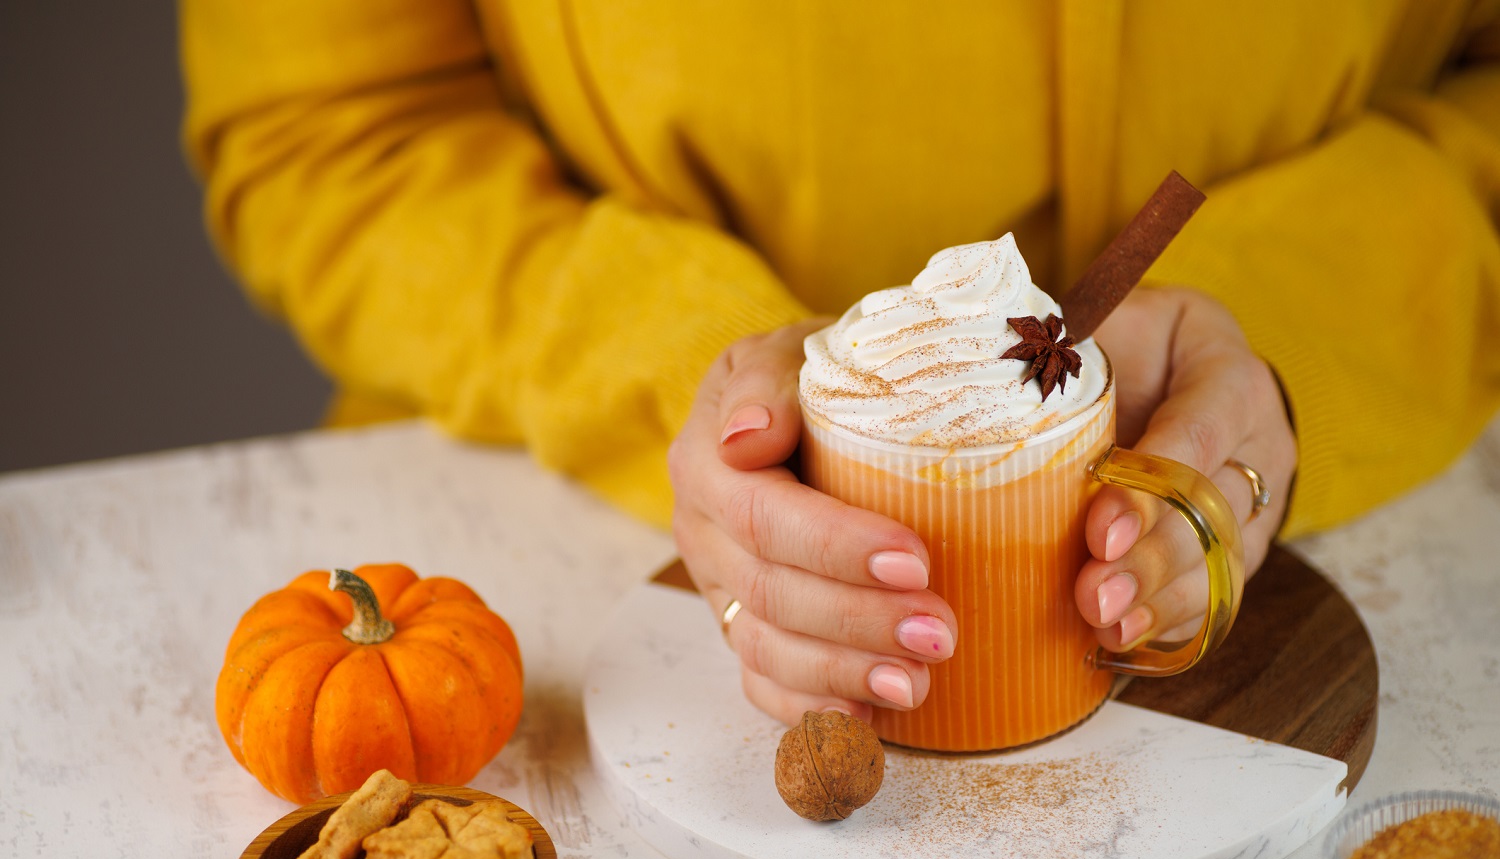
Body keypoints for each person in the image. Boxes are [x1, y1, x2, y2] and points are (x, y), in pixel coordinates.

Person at [182, 3, 1500, 726]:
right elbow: (331, 128)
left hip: (1400, 561)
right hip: (571, 563)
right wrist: (689, 364)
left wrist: (1284, 337)